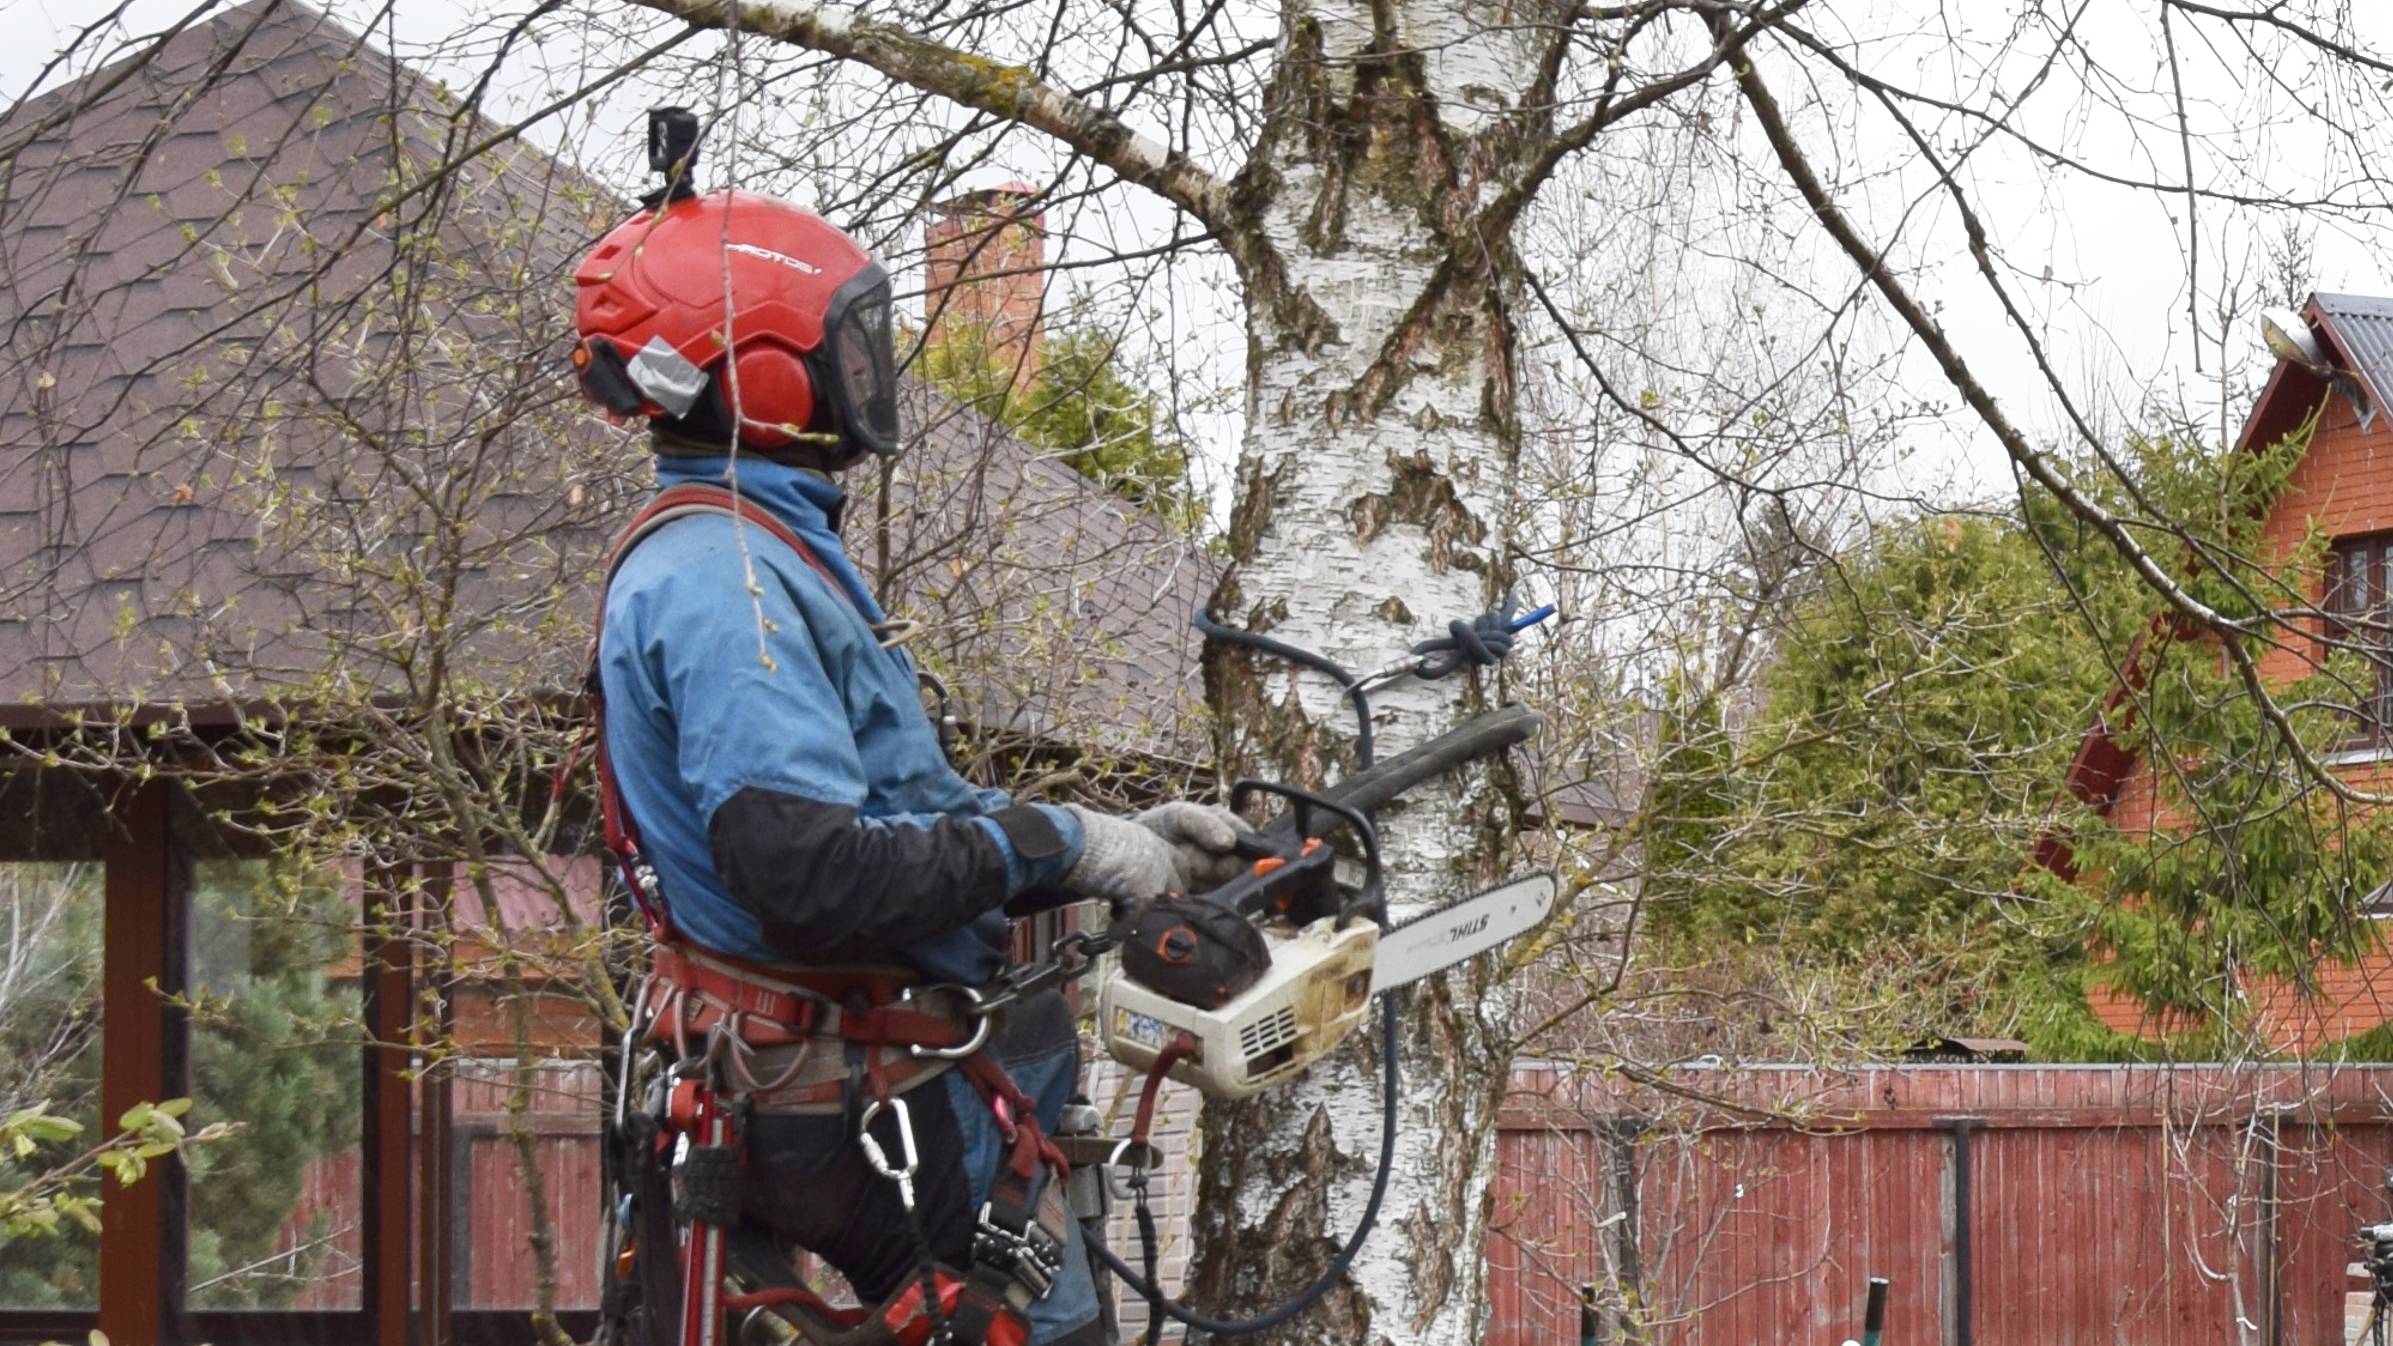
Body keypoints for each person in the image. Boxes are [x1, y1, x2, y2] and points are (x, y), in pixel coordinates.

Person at [573, 184, 1247, 1346]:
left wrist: (1108, 843)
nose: (866, 373)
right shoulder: (726, 583)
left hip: (835, 1073)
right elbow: (813, 871)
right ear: (767, 373)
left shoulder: (757, 545)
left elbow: (901, 819)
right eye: (845, 344)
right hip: (857, 1095)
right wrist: (1066, 841)